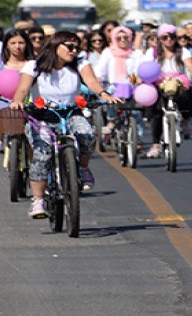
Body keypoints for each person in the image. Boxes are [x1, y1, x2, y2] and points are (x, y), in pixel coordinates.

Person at [9, 31, 120, 216]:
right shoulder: (34, 65)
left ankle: (82, 169)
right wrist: (18, 101)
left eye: (77, 47)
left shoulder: (79, 63)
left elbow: (91, 81)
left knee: (87, 136)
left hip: (70, 113)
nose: (74, 50)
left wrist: (103, 94)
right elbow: (22, 88)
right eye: (70, 46)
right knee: (42, 154)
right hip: (42, 116)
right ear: (56, 45)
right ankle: (38, 201)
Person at [144, 24, 192, 158]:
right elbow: (146, 67)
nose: (169, 39)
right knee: (157, 113)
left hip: (178, 81)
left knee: (186, 95)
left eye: (172, 36)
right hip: (159, 82)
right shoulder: (151, 52)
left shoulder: (183, 51)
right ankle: (155, 145)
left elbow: (190, 66)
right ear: (160, 39)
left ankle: (186, 120)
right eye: (165, 37)